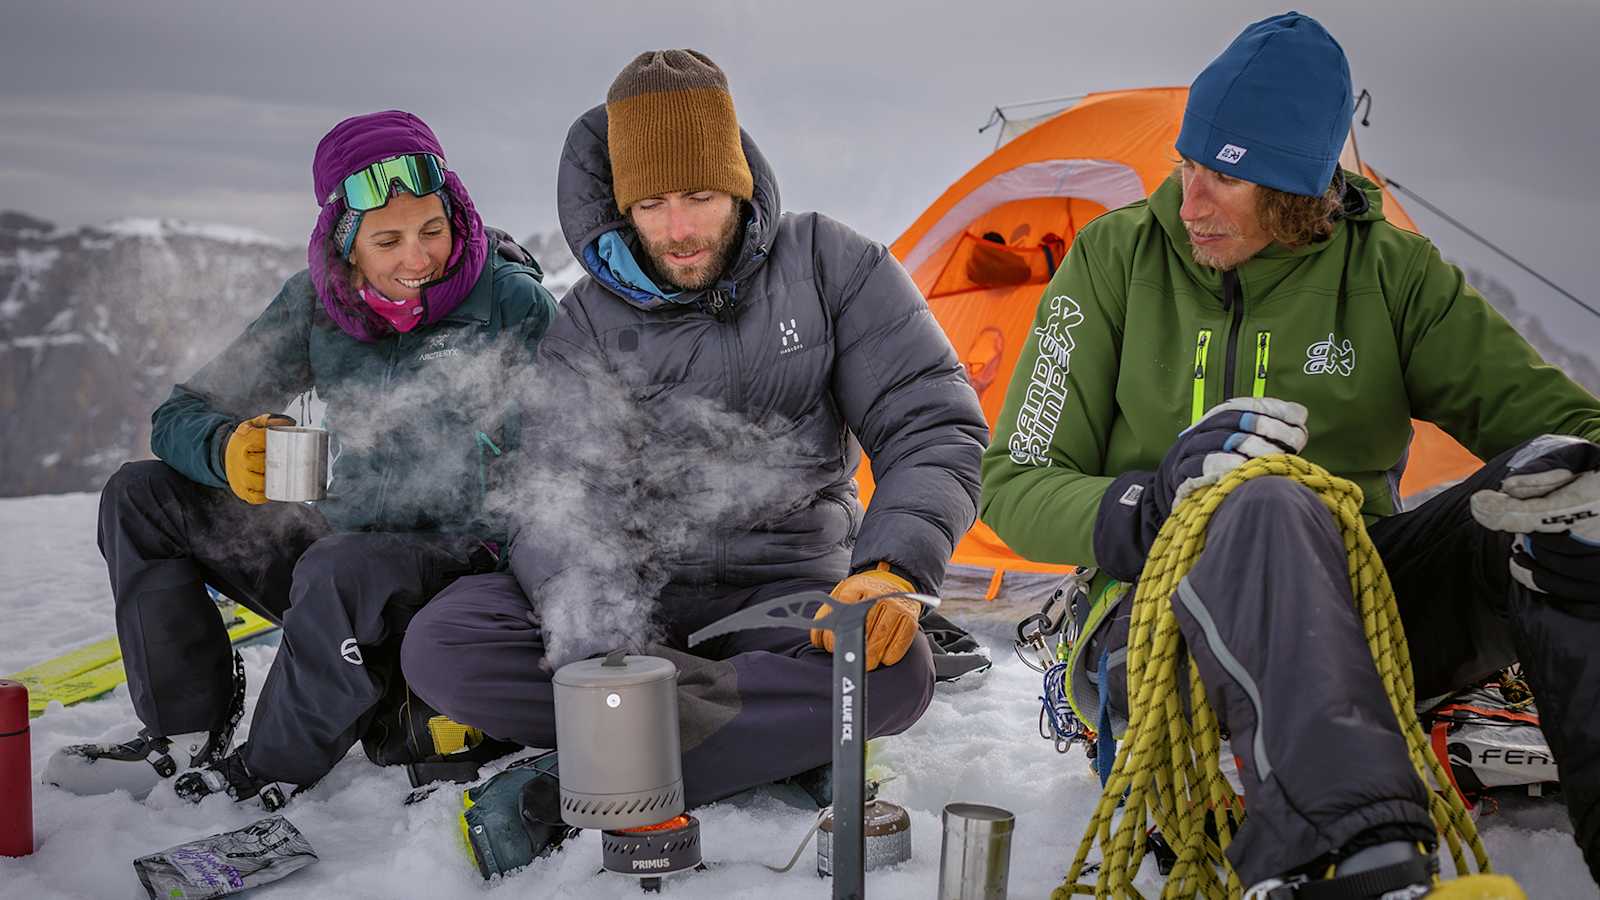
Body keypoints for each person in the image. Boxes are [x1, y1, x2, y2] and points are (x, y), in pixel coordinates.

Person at [980, 12, 1600, 898]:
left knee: (1562, 488)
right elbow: (1011, 482)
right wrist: (1150, 505)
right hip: (1157, 616)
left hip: (1364, 604)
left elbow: (1571, 430)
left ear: (1302, 191)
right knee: (1261, 499)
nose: (1189, 202)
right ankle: (1350, 862)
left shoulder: (1392, 274)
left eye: (1224, 178)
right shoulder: (1114, 260)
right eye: (1187, 165)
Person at [400, 49, 987, 858]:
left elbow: (933, 423)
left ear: (739, 181)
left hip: (789, 596)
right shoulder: (590, 322)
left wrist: (891, 568)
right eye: (653, 203)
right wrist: (601, 643)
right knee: (445, 646)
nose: (678, 230)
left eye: (702, 197)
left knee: (897, 674)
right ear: (621, 203)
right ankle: (768, 738)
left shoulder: (834, 268)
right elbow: (556, 492)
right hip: (636, 604)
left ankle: (580, 780)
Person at [44, 110, 559, 808]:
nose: (418, 259)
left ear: (457, 215)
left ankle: (267, 768)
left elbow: (575, 465)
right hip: (339, 559)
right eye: (389, 240)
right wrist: (227, 449)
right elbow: (179, 414)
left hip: (457, 572)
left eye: (433, 230)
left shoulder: (513, 306)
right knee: (143, 495)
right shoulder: (317, 305)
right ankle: (185, 731)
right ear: (347, 246)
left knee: (340, 565)